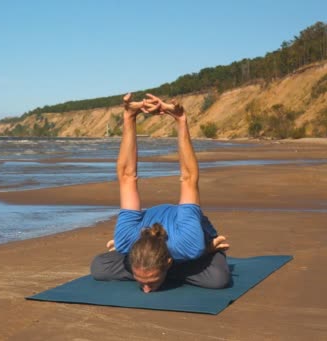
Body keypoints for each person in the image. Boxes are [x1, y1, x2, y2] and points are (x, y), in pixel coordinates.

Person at [90, 93, 231, 293]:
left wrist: (181, 120)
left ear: (167, 261)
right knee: (99, 267)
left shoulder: (188, 243)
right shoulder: (126, 240)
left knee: (217, 279)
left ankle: (189, 260)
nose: (146, 290)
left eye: (151, 282)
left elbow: (188, 178)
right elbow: (127, 176)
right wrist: (129, 117)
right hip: (163, 249)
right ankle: (172, 269)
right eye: (142, 281)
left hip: (187, 231)